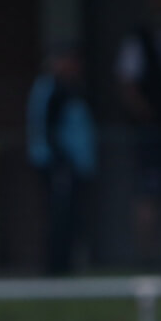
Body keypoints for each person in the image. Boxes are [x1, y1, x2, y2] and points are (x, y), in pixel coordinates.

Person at [26, 43, 97, 274]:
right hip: (58, 165)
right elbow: (48, 130)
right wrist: (61, 163)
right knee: (60, 216)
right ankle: (57, 267)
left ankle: (67, 264)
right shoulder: (52, 88)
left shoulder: (67, 87)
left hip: (70, 165)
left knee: (70, 215)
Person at [115, 0, 161, 266]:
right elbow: (127, 84)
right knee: (149, 194)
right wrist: (149, 117)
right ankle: (147, 259)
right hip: (153, 131)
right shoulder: (139, 40)